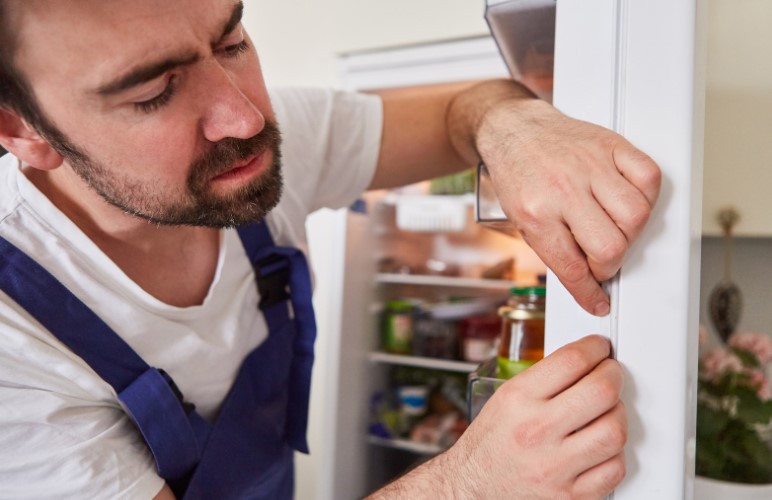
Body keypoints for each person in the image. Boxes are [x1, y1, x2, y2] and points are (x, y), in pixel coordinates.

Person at [0, 1, 661, 499]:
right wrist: (467, 483)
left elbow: (464, 105)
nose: (246, 118)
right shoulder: (14, 334)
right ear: (22, 130)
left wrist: (511, 125)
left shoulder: (265, 144)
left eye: (231, 41)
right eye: (153, 93)